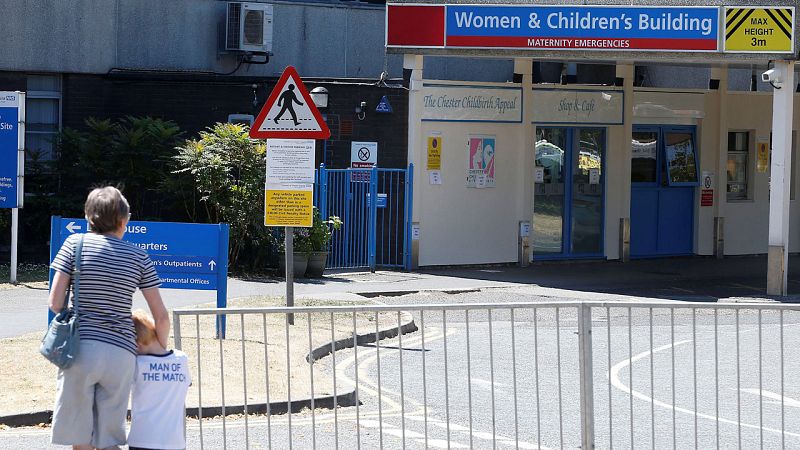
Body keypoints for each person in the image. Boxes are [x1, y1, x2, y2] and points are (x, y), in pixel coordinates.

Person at [48, 186, 169, 450]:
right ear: (123, 221)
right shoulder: (139, 256)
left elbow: (55, 303)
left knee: (81, 439)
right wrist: (161, 350)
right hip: (121, 354)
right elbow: (161, 316)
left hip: (80, 350)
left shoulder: (74, 244)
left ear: (88, 218)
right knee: (108, 439)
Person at [127, 310, 191, 450]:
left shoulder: (137, 364)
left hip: (142, 440)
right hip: (174, 442)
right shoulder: (181, 359)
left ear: (137, 344)